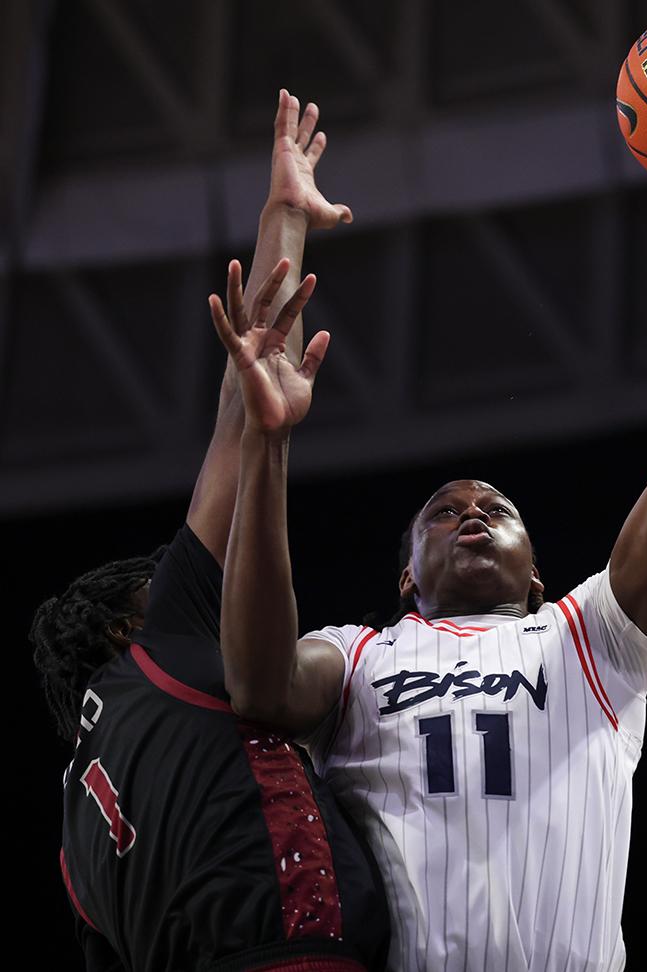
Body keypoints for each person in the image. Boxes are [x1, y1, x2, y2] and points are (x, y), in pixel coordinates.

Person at [214, 45, 647, 972]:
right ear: (407, 575)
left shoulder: (592, 639)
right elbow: (256, 689)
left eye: (492, 504)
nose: (470, 509)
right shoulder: (359, 656)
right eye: (444, 509)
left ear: (536, 572)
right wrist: (268, 443)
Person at [31, 92, 389, 972]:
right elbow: (247, 399)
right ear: (125, 624)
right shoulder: (155, 645)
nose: (192, 576)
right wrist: (285, 216)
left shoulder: (78, 838)